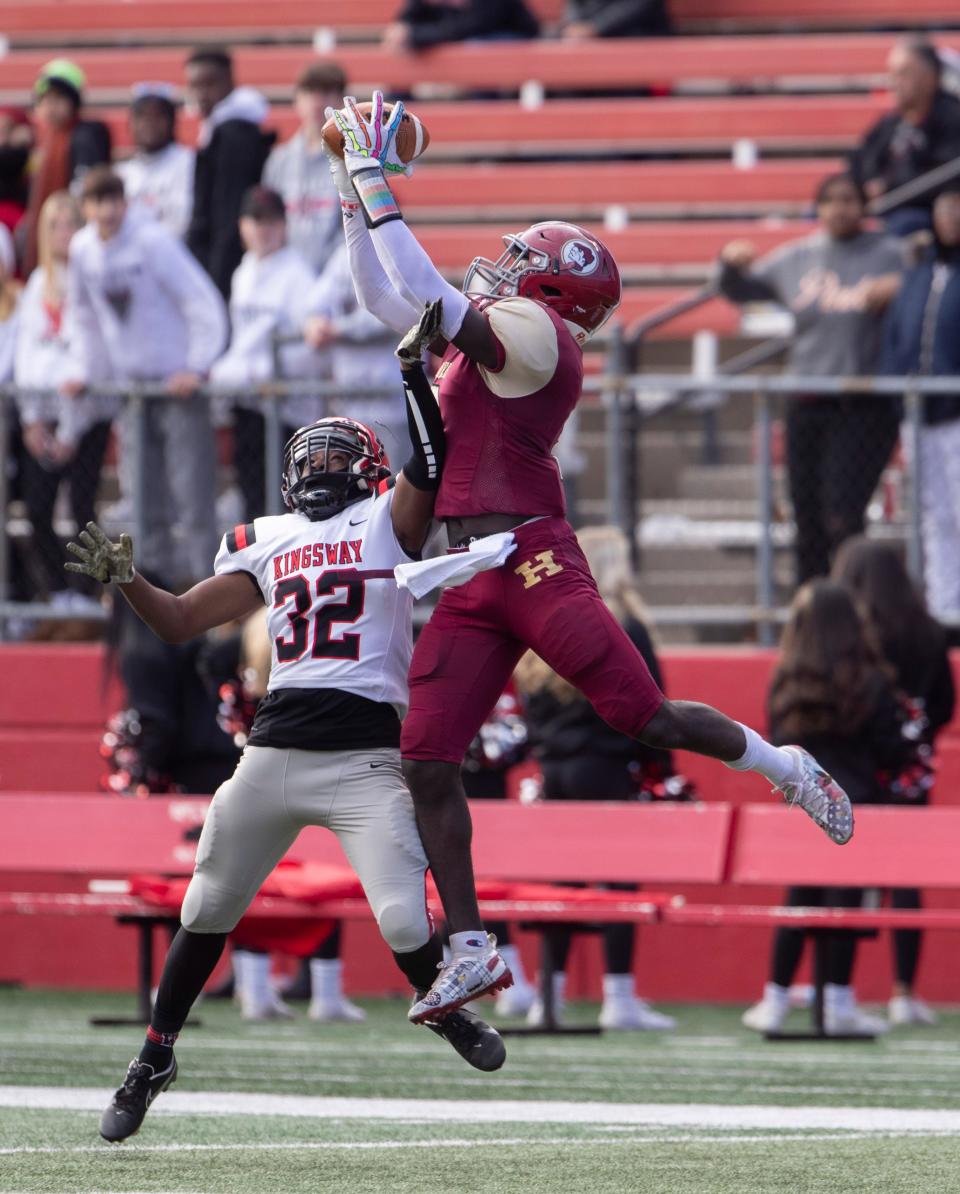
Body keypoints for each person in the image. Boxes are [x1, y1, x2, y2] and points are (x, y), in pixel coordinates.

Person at [328, 92, 855, 1023]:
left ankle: (785, 767)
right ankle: (474, 946)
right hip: (466, 570)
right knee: (427, 759)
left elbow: (419, 289)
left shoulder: (539, 340)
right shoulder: (504, 330)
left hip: (531, 559)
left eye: (528, 262)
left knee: (642, 717)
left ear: (558, 294)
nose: (509, 267)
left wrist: (374, 173)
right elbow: (382, 293)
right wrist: (344, 185)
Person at [69, 304, 508, 1146]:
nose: (324, 467)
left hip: (364, 761)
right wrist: (128, 580)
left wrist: (413, 373)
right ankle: (155, 1054)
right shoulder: (266, 540)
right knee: (208, 905)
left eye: (341, 456)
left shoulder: (389, 517)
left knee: (408, 924)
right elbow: (178, 618)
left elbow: (430, 456)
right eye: (314, 455)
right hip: (270, 755)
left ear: (370, 471)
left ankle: (446, 1015)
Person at [513, 525, 680, 1031]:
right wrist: (661, 774)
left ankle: (549, 996)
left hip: (556, 772)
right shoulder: (626, 623)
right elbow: (654, 706)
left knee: (564, 886)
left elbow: (530, 705)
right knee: (617, 882)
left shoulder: (547, 621)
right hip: (606, 769)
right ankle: (619, 996)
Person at [742, 581, 915, 1037]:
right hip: (856, 806)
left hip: (802, 806)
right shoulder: (871, 680)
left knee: (799, 899)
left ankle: (774, 999)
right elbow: (891, 750)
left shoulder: (786, 680)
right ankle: (838, 1002)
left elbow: (778, 743)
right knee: (844, 903)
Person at [718, 173, 904, 585]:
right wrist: (730, 263)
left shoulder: (890, 254)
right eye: (831, 200)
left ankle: (854, 600)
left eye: (849, 199)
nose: (840, 208)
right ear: (818, 209)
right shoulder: (798, 257)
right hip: (807, 402)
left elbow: (932, 276)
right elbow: (740, 288)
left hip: (863, 405)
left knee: (844, 514)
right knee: (807, 517)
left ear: (864, 207)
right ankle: (813, 605)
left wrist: (901, 285)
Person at [62, 166, 228, 588]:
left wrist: (195, 365)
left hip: (176, 387)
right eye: (98, 202)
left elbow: (200, 299)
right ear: (86, 208)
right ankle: (155, 593)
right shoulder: (82, 250)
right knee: (143, 499)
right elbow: (84, 320)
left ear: (125, 202)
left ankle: (206, 593)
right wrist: (86, 369)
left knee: (192, 496)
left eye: (114, 200)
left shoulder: (152, 241)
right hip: (132, 391)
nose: (107, 211)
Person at [832, 537, 955, 1027]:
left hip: (859, 768)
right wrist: (916, 735)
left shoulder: (851, 633)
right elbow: (946, 702)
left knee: (842, 877)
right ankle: (905, 991)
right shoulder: (926, 631)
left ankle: (837, 987)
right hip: (909, 770)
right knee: (905, 879)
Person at [15, 191, 110, 611]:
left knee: (83, 509)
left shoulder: (91, 280)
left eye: (72, 223)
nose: (64, 233)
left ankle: (90, 593)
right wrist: (31, 421)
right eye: (55, 225)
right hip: (44, 416)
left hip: (86, 417)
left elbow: (89, 356)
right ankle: (58, 591)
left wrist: (71, 431)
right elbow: (25, 355)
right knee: (36, 508)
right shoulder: (37, 284)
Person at [209, 185, 318, 523]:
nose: (263, 229)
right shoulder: (243, 272)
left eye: (270, 221)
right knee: (252, 498)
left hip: (286, 409)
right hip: (249, 404)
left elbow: (308, 348)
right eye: (256, 221)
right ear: (243, 226)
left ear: (284, 226)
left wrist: (266, 373)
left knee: (286, 503)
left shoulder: (298, 274)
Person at [882, 183, 960, 621]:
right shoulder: (919, 273)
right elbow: (897, 336)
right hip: (917, 414)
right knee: (934, 514)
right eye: (945, 208)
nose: (951, 217)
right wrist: (896, 388)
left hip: (955, 412)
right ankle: (945, 608)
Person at [302, 241, 410, 467]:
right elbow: (313, 304)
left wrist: (337, 329)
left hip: (392, 404)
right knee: (354, 491)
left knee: (393, 490)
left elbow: (396, 314)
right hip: (349, 404)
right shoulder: (344, 254)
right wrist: (314, 322)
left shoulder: (400, 250)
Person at [184, 47, 274, 299]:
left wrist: (215, 279)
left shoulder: (233, 136)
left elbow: (226, 215)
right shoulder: (218, 130)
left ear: (230, 82)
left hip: (225, 268)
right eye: (194, 85)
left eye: (209, 83)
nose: (201, 94)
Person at [851, 39, 960, 237]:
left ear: (931, 77)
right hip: (881, 206)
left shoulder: (952, 118)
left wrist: (889, 186)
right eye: (892, 74)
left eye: (903, 73)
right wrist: (868, 182)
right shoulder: (891, 121)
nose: (894, 82)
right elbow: (860, 158)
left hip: (923, 213)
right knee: (826, 211)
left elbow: (945, 175)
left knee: (904, 224)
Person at [24, 60, 111, 275]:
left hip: (74, 237)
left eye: (58, 98)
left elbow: (86, 188)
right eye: (45, 100)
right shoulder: (47, 143)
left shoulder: (85, 137)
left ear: (73, 102)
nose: (50, 106)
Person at [263, 62, 347, 275]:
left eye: (327, 93)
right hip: (287, 281)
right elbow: (268, 222)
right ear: (297, 100)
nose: (318, 102)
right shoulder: (278, 160)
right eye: (310, 93)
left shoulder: (352, 161)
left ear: (341, 103)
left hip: (335, 281)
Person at [116, 84, 195, 240]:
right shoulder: (122, 173)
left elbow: (182, 224)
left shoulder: (189, 163)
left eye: (157, 116)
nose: (148, 123)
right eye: (141, 116)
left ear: (172, 122)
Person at [382, 0, 539, 53]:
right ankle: (398, 124)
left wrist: (414, 35)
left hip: (510, 37)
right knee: (400, 49)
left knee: (475, 48)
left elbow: (472, 26)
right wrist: (402, 33)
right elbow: (405, 20)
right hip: (460, 38)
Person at [559, 0, 671, 39]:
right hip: (585, 38)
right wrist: (574, 25)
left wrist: (595, 28)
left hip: (634, 33)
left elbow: (638, 6)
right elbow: (574, 4)